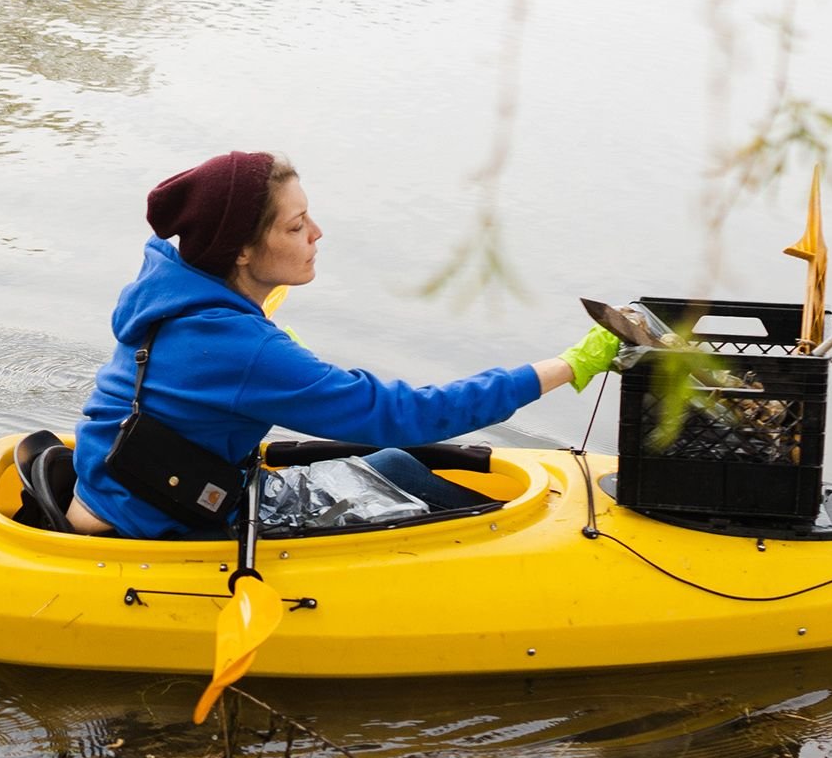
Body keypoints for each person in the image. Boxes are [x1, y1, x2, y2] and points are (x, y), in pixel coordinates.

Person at [65, 151, 622, 538]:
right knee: (429, 494)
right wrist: (566, 366)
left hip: (116, 493)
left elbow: (221, 362)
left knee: (398, 470)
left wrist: (262, 337)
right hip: (159, 523)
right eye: (295, 226)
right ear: (239, 251)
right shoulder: (243, 349)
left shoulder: (172, 292)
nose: (317, 234)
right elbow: (402, 413)